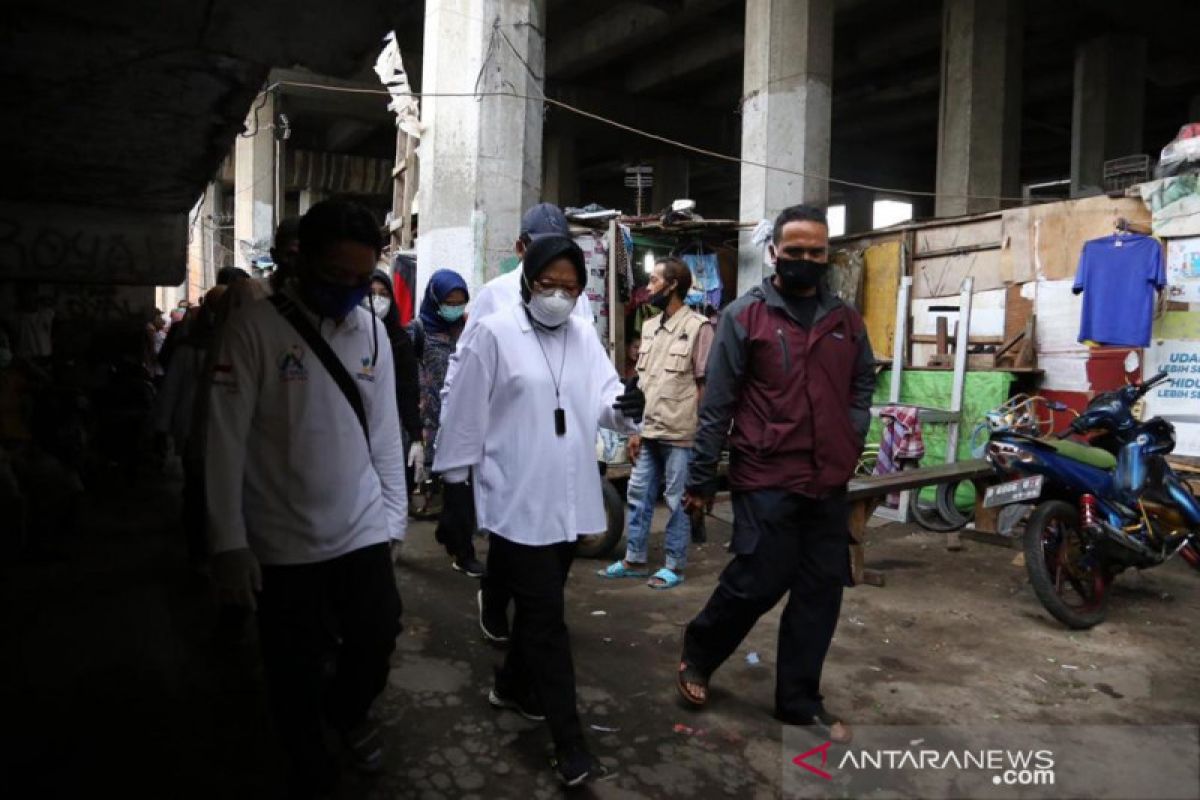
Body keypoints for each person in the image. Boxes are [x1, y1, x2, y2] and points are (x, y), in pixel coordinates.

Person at [205, 199, 406, 795]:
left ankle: (344, 715)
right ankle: (308, 757)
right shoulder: (253, 327)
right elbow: (224, 439)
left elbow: (385, 431)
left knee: (377, 635)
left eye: (360, 278)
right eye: (335, 275)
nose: (347, 290)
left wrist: (394, 521)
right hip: (281, 539)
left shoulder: (371, 328)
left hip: (362, 526)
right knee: (290, 667)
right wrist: (228, 543)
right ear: (301, 261)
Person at [433, 235, 644, 788]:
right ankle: (569, 743)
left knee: (537, 609)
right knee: (547, 620)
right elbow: (463, 412)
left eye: (570, 287)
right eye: (548, 284)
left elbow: (603, 399)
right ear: (527, 280)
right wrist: (454, 488)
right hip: (516, 495)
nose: (558, 296)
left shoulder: (582, 334)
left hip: (568, 497)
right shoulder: (494, 333)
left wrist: (625, 406)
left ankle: (509, 686)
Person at [675, 204, 876, 745]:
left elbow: (863, 384)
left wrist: (852, 433)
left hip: (827, 479)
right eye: (795, 252)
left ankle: (798, 700)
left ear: (827, 254)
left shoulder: (846, 321)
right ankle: (698, 654)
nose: (806, 261)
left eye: (816, 252)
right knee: (757, 581)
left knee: (818, 592)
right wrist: (701, 479)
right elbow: (718, 404)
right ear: (776, 254)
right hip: (766, 475)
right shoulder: (746, 316)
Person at [437, 203, 590, 643]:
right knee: (511, 531)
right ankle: (501, 598)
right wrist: (455, 448)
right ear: (521, 247)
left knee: (554, 537)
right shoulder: (496, 294)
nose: (558, 290)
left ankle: (534, 623)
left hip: (560, 439)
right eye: (541, 249)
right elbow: (463, 368)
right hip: (509, 438)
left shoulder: (573, 299)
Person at [599, 257, 712, 589]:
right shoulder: (649, 328)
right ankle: (634, 559)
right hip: (649, 430)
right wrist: (635, 431)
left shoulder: (698, 327)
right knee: (637, 493)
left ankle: (673, 565)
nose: (647, 288)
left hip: (682, 432)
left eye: (653, 281)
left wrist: (704, 437)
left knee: (677, 499)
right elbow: (644, 381)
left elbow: (705, 385)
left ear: (672, 284)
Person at [152, 285, 226, 568]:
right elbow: (171, 389)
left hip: (226, 433)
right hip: (194, 430)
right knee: (197, 491)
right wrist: (162, 428)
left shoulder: (243, 344)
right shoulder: (190, 350)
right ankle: (200, 552)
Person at [362, 271, 423, 503]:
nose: (377, 300)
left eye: (384, 294)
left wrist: (416, 437)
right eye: (370, 294)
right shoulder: (347, 337)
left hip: (391, 428)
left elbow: (408, 391)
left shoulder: (399, 341)